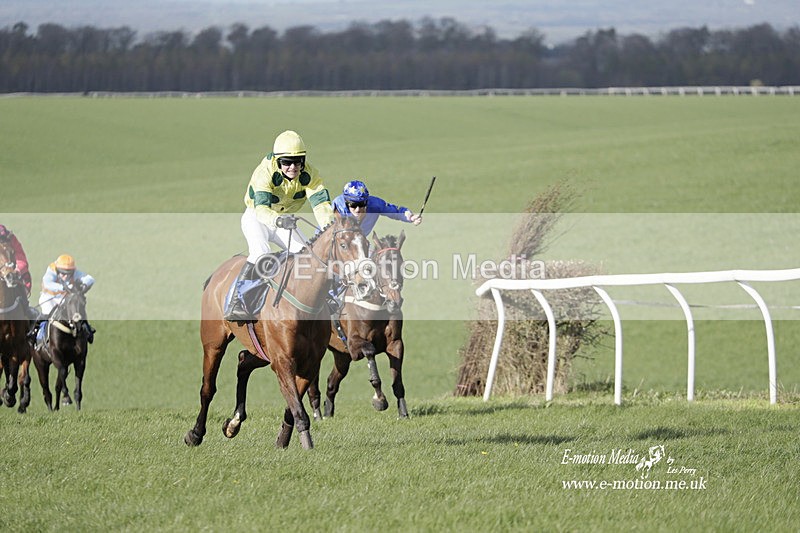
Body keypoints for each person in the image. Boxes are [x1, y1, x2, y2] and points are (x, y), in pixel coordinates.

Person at [225, 130, 335, 321]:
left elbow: (321, 206)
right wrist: (277, 220)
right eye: (286, 162)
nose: (293, 167)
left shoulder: (310, 174)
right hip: (257, 217)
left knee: (306, 255)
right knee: (261, 253)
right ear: (277, 161)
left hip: (284, 220)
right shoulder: (264, 172)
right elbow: (261, 209)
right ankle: (236, 301)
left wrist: (331, 228)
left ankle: (318, 299)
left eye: (298, 162)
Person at [36, 254, 96, 345]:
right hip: (49, 298)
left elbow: (90, 279)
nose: (66, 276)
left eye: (69, 274)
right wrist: (63, 287)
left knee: (77, 310)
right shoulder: (51, 270)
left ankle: (86, 329)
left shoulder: (74, 272)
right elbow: (47, 283)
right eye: (63, 273)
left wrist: (84, 285)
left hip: (64, 298)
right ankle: (38, 334)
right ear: (57, 270)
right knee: (47, 314)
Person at [332, 180, 422, 236]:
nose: (358, 209)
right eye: (353, 205)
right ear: (346, 202)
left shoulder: (375, 204)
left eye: (362, 204)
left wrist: (411, 217)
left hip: (358, 243)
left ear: (367, 201)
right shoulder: (339, 206)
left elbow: (396, 212)